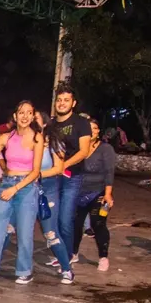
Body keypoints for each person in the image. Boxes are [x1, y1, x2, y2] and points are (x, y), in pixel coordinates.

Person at [0, 102, 44, 285]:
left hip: (27, 187)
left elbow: (36, 171)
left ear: (32, 116)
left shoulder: (37, 138)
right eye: (21, 112)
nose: (25, 116)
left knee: (24, 232)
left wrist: (15, 188)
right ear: (15, 116)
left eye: (29, 113)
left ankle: (24, 270)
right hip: (7, 183)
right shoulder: (5, 137)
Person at [47, 86, 95, 258]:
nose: (62, 103)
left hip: (72, 177)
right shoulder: (50, 125)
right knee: (52, 219)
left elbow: (83, 151)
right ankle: (59, 253)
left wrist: (63, 165)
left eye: (66, 100)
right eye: (59, 100)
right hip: (52, 178)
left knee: (65, 220)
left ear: (73, 103)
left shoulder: (81, 123)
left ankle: (67, 256)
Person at [34, 111, 75, 284]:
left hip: (47, 190)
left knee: (50, 232)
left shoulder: (53, 142)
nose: (28, 119)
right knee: (9, 227)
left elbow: (59, 168)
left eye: (34, 117)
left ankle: (67, 269)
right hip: (25, 190)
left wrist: (37, 174)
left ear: (44, 123)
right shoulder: (25, 141)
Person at [71, 121, 116, 271]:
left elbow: (109, 172)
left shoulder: (105, 149)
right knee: (75, 224)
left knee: (98, 223)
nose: (92, 131)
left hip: (99, 192)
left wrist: (108, 194)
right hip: (78, 192)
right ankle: (73, 253)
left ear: (98, 131)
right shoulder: (79, 148)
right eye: (88, 129)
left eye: (95, 128)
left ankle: (103, 257)